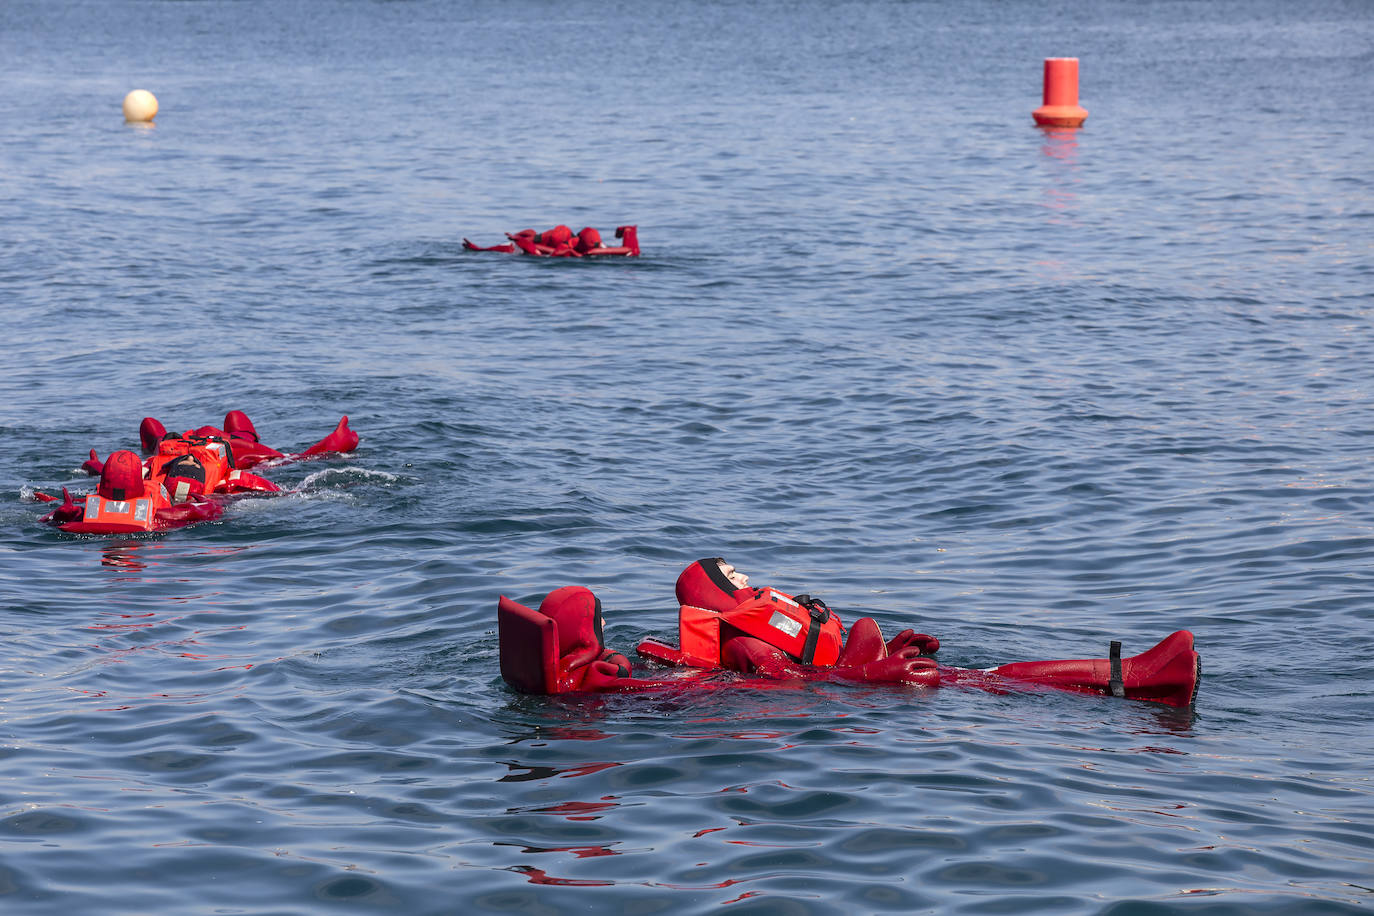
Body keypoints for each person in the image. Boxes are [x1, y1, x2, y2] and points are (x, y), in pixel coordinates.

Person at [496, 558, 1202, 707]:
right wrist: (878, 669)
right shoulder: (742, 640)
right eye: (737, 580)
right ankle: (1140, 678)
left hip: (861, 685)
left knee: (989, 678)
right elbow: (802, 685)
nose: (751, 582)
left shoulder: (614, 671)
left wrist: (883, 650)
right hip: (865, 695)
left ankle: (1140, 675)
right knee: (994, 680)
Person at [76, 410, 358, 475]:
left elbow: (115, 473)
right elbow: (296, 458)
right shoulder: (239, 448)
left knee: (150, 425)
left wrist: (94, 465)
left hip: (183, 444)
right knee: (235, 419)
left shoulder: (154, 461)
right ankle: (244, 433)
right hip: (218, 442)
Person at [463, 225, 640, 257]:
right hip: (535, 244)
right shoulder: (563, 237)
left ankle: (480, 250)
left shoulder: (589, 246)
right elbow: (537, 242)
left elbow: (547, 251)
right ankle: (480, 250)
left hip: (535, 247)